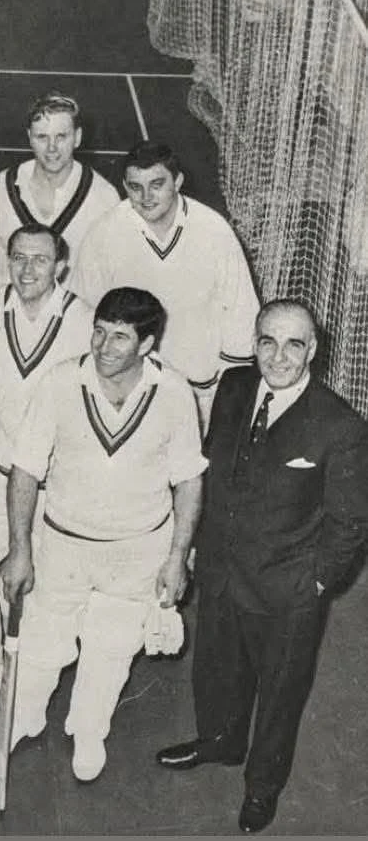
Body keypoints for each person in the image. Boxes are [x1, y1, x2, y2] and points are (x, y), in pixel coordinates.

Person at [156, 300, 368, 833]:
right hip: (223, 569)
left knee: (279, 692)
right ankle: (221, 743)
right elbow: (211, 466)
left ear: (313, 351)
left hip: (288, 588)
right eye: (268, 341)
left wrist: (316, 582)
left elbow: (350, 524)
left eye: (294, 344)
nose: (278, 356)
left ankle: (262, 786)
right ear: (254, 342)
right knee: (217, 668)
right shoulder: (232, 388)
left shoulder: (340, 426)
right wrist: (197, 545)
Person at [0, 287, 206, 783]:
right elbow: (24, 471)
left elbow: (189, 478)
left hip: (137, 549)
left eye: (120, 338)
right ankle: (24, 716)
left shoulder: (174, 392)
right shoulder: (60, 382)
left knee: (111, 646)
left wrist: (177, 556)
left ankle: (88, 729)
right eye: (99, 332)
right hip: (63, 539)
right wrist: (19, 549)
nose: (104, 347)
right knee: (43, 639)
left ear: (147, 344)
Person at [0, 223, 94, 690]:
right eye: (18, 257)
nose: (28, 268)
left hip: (57, 486)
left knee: (42, 585)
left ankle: (30, 683)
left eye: (39, 259)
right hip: (0, 475)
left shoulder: (83, 320)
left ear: (60, 265)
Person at [70, 140, 260, 429]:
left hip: (202, 393)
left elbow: (241, 315)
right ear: (124, 186)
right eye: (135, 187)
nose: (146, 196)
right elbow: (82, 315)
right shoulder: (103, 234)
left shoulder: (213, 230)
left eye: (157, 184)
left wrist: (229, 396)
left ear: (178, 181)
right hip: (132, 390)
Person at [0, 92, 119, 287]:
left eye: (61, 136)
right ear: (29, 137)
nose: (52, 148)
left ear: (78, 137)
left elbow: (111, 274)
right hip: (7, 313)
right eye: (42, 137)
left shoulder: (105, 198)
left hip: (75, 315)